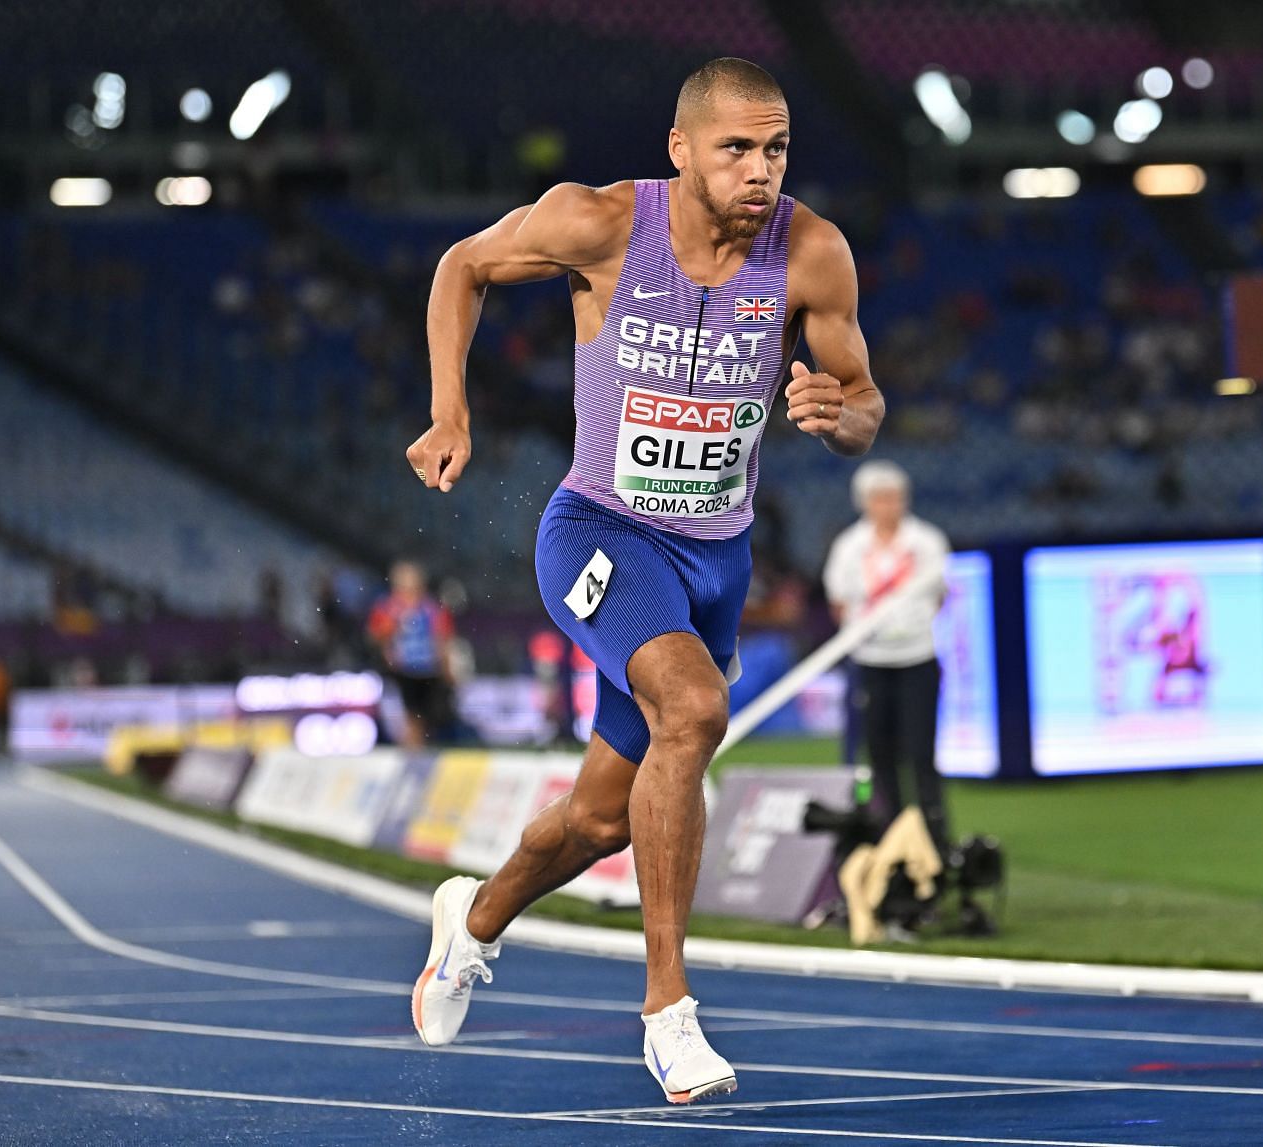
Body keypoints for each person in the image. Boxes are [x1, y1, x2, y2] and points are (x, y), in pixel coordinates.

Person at [403, 58, 883, 1103]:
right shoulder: (603, 222)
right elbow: (460, 267)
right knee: (697, 708)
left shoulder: (812, 253)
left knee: (600, 817)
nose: (761, 171)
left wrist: (837, 416)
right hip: (599, 532)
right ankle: (669, 1013)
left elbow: (863, 404)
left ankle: (472, 921)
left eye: (777, 149)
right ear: (682, 151)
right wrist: (451, 409)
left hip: (715, 559)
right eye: (737, 149)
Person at [823, 461, 953, 852]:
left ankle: (936, 841)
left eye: (894, 498)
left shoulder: (926, 541)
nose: (888, 506)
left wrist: (906, 622)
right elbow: (839, 602)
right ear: (864, 502)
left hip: (918, 659)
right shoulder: (849, 547)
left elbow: (940, 594)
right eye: (879, 498)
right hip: (871, 663)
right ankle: (895, 840)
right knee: (879, 755)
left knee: (921, 754)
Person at [367, 561, 457, 750]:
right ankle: (413, 750)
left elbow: (443, 637)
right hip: (403, 670)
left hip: (428, 669)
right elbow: (376, 635)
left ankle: (420, 750)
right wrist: (389, 645)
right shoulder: (389, 608)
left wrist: (446, 665)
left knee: (428, 716)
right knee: (409, 715)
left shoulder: (432, 608)